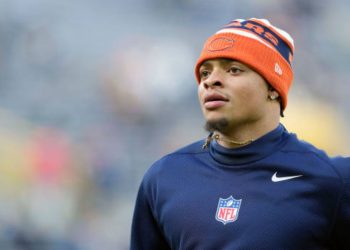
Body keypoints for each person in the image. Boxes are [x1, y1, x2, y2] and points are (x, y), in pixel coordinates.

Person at [130, 18, 350, 249]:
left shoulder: (333, 180)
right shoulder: (164, 177)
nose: (211, 81)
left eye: (234, 69)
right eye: (205, 73)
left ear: (273, 88)